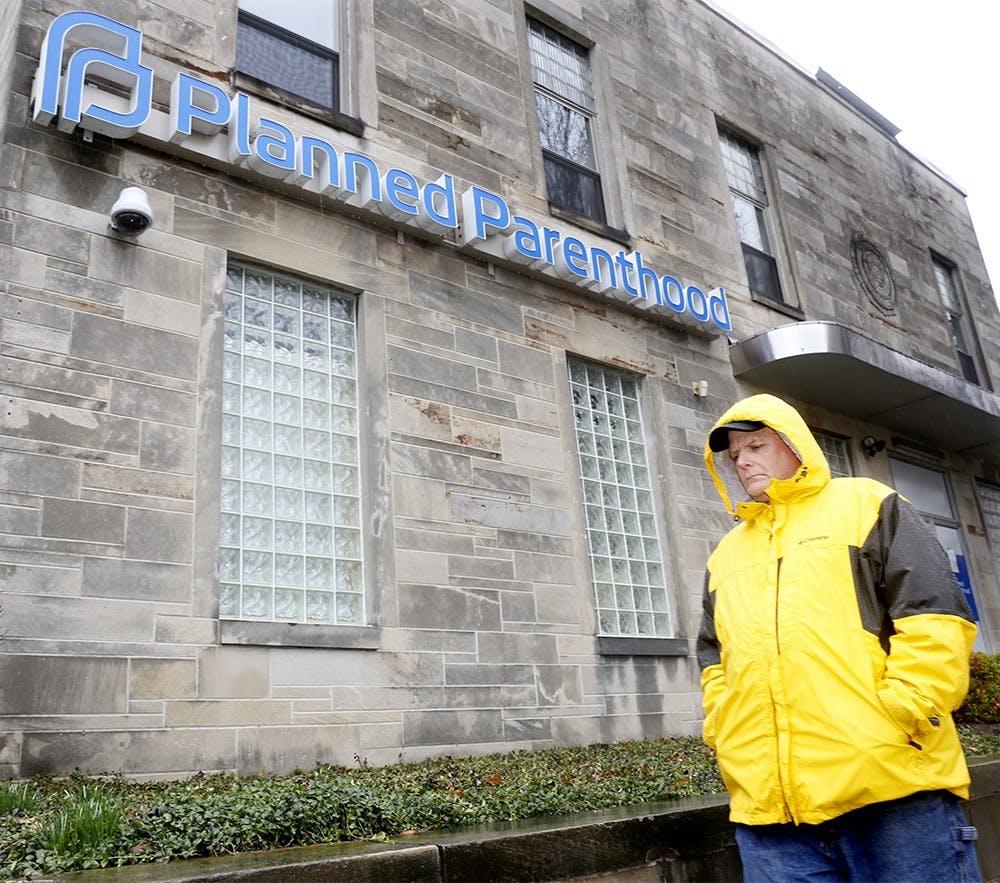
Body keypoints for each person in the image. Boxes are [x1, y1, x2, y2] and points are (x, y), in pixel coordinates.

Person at [696, 393, 982, 882]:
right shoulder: (726, 555)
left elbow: (936, 615)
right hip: (772, 818)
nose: (743, 462)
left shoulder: (866, 505)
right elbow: (713, 657)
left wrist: (904, 710)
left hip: (893, 792)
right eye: (735, 455)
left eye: (757, 446)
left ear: (794, 446)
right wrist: (724, 729)